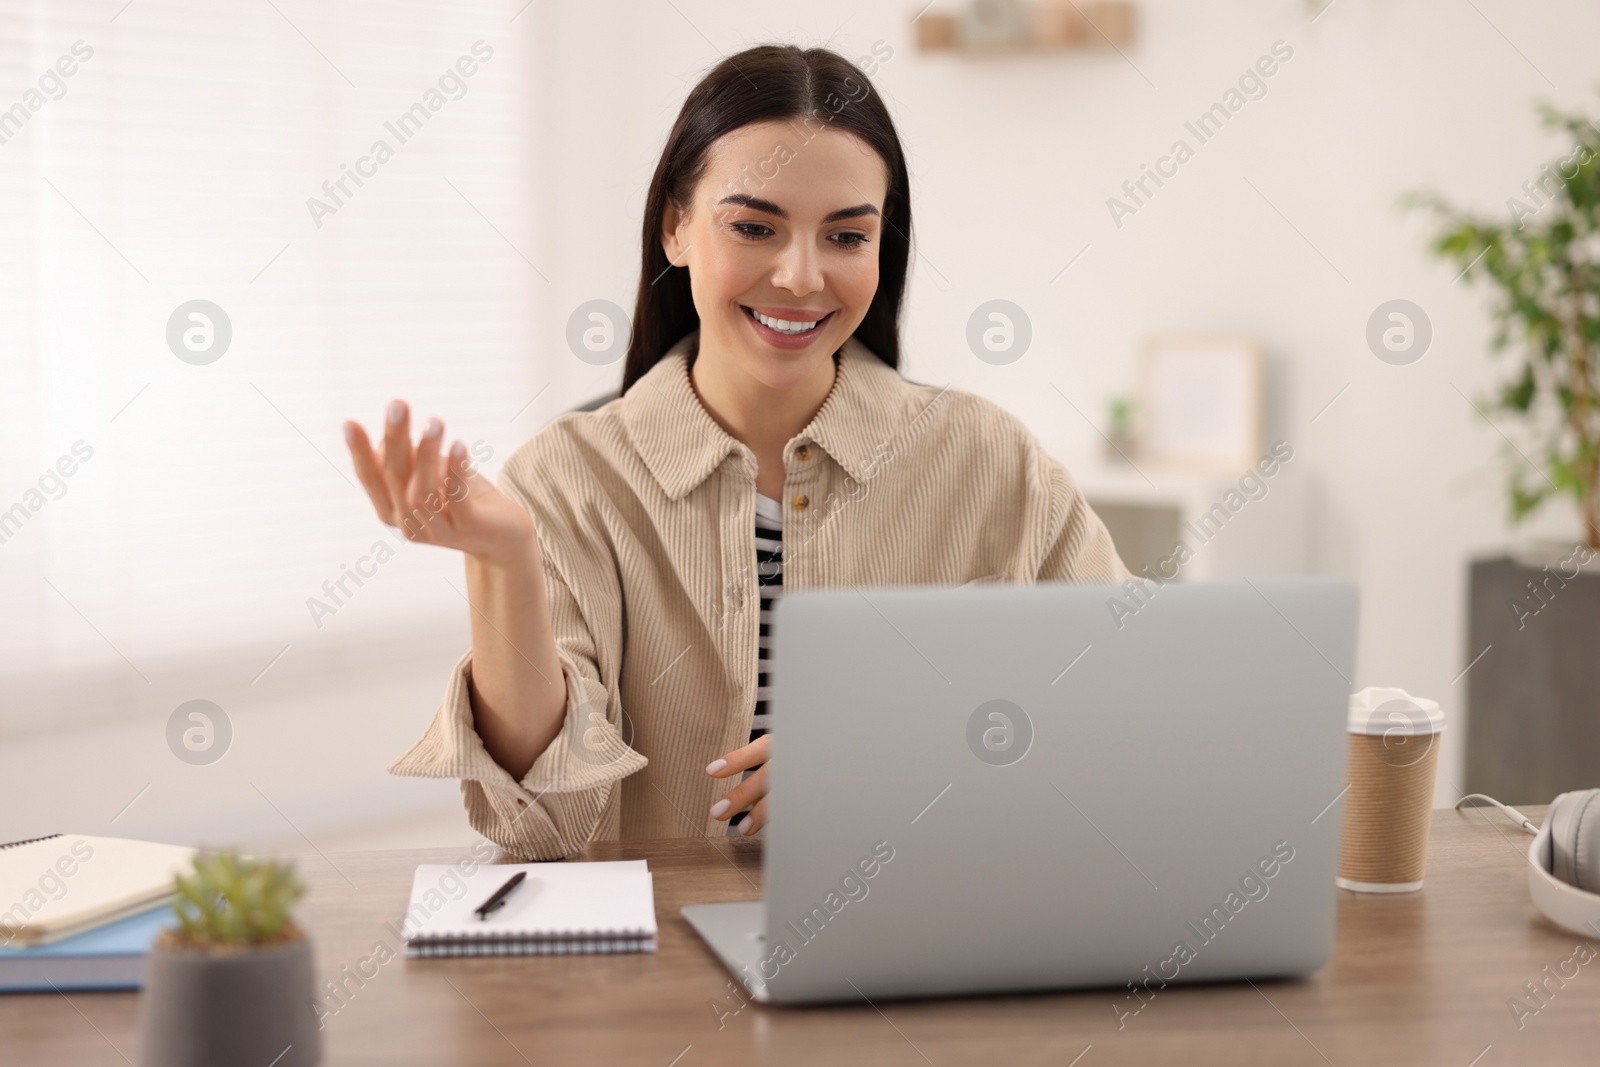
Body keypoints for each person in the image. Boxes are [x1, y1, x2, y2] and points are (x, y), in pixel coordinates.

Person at [342, 44, 1132, 860]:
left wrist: (901, 752)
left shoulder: (990, 460)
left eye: (846, 236)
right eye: (754, 227)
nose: (799, 276)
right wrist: (504, 560)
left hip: (930, 942)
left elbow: (1135, 710)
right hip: (660, 972)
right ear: (675, 227)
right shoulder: (566, 480)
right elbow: (535, 826)